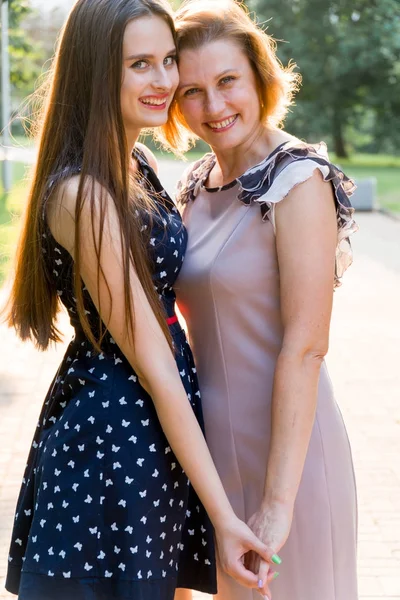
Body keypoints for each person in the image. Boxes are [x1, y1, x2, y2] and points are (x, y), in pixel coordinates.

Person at [3, 1, 275, 599]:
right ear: (98, 72)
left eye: (167, 60)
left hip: (151, 433)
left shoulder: (138, 163)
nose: (164, 81)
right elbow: (153, 360)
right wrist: (224, 517)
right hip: (111, 440)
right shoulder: (84, 193)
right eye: (139, 64)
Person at [160, 1, 359, 599]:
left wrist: (278, 503)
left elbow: (306, 347)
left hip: (290, 463)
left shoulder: (300, 181)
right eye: (192, 91)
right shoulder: (196, 185)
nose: (214, 107)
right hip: (213, 460)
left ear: (259, 78)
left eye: (227, 82)